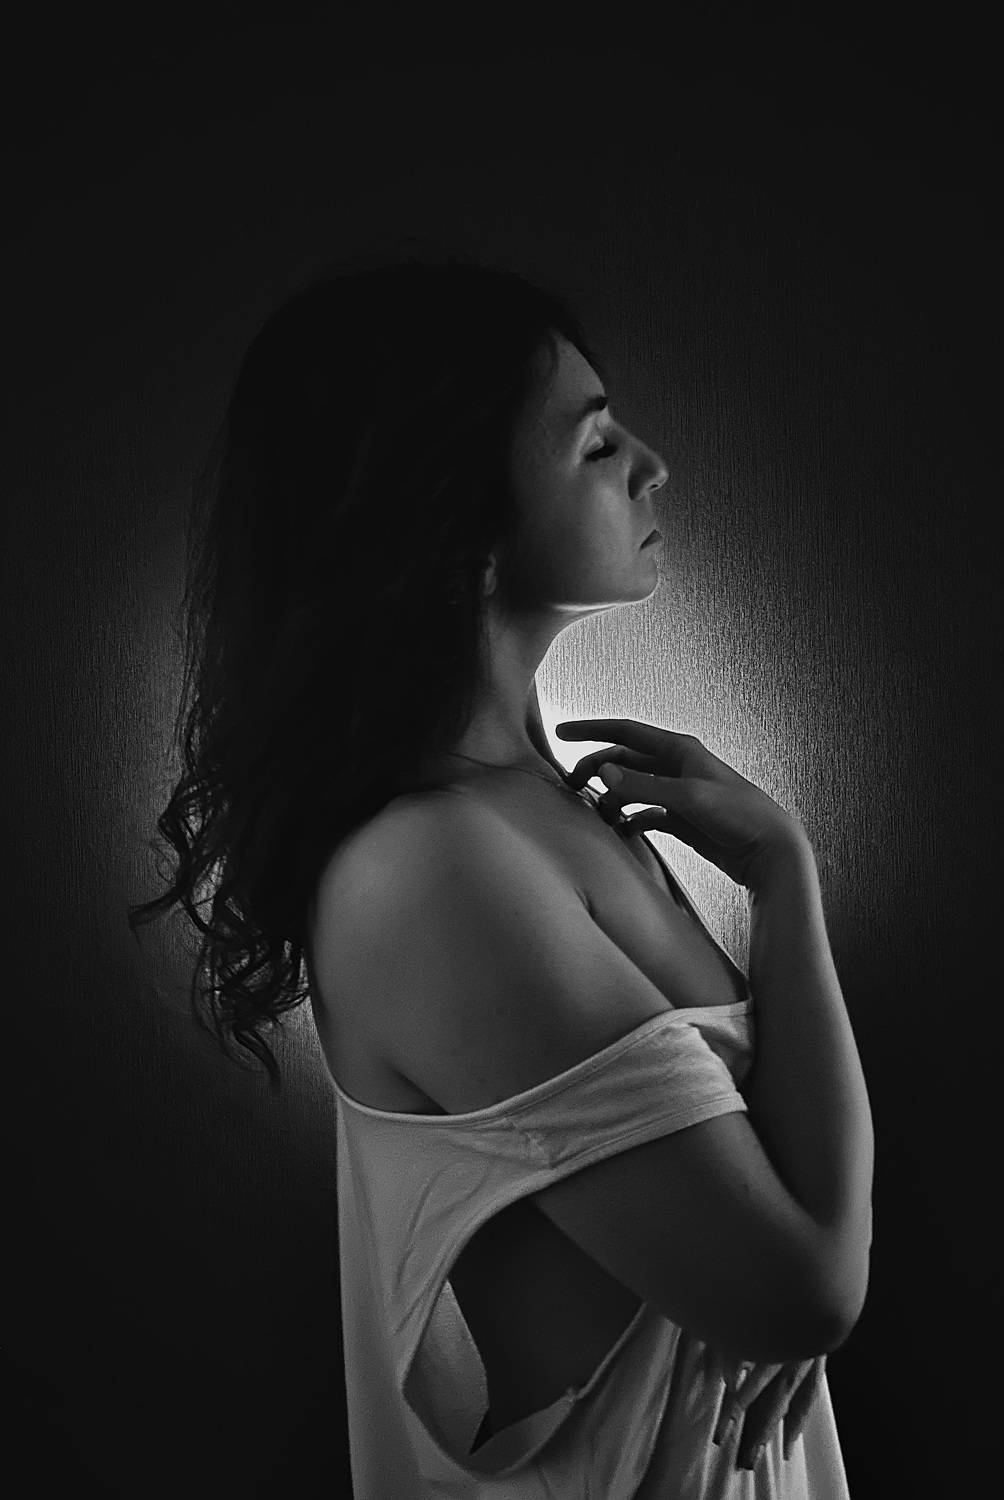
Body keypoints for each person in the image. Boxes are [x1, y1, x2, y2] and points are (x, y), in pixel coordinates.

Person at [129, 248, 873, 1497]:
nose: (650, 464)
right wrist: (786, 883)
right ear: (457, 524)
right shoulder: (433, 873)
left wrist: (781, 865)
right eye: (594, 444)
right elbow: (805, 1288)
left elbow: (778, 1227)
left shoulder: (546, 813)